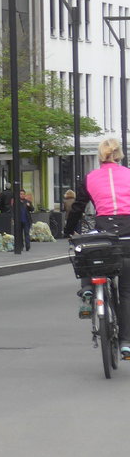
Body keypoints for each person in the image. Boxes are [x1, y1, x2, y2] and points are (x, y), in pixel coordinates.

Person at [83, 137, 130, 357]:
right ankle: (126, 342)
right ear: (119, 154)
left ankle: (88, 290)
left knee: (89, 255)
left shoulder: (90, 177)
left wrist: (68, 230)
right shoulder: (128, 175)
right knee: (126, 292)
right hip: (128, 234)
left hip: (104, 232)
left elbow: (77, 207)